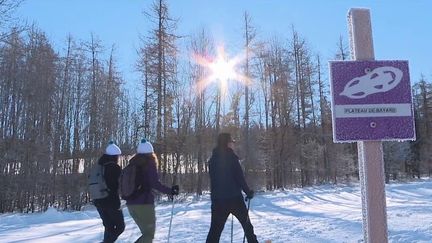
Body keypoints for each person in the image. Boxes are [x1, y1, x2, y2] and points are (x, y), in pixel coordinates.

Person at [206, 133, 258, 243]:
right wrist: (248, 192)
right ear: (227, 143)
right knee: (247, 226)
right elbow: (240, 178)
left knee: (214, 232)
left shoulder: (212, 160)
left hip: (218, 201)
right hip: (234, 199)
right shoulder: (232, 158)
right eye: (231, 142)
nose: (233, 144)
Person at [126, 139, 179, 243]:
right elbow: (155, 184)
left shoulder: (132, 164)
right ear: (151, 152)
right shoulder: (149, 163)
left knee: (146, 234)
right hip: (144, 204)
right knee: (149, 235)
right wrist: (171, 191)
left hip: (131, 204)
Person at [94, 141, 125, 243]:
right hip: (111, 201)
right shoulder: (114, 168)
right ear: (115, 156)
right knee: (120, 227)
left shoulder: (98, 166)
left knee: (109, 227)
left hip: (98, 201)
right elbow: (119, 185)